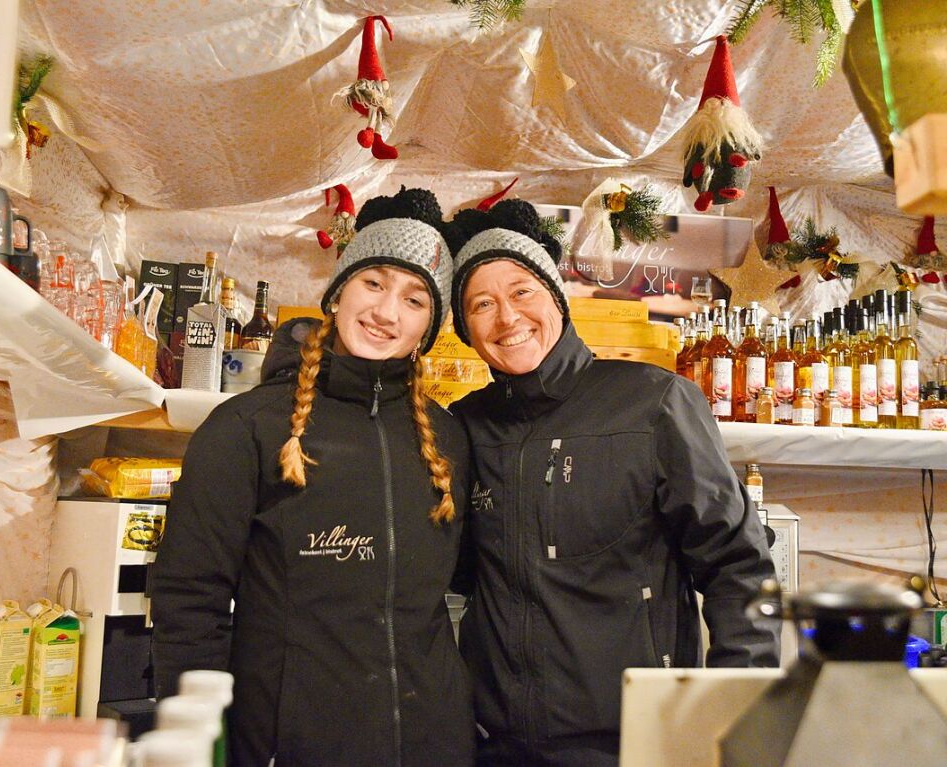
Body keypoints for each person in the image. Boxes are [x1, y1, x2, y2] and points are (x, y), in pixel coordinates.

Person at [446, 199, 780, 766]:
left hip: (633, 740)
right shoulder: (465, 426)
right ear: (465, 328)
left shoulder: (653, 403)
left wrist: (730, 714)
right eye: (482, 303)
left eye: (522, 291)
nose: (507, 318)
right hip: (496, 745)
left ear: (556, 297)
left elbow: (738, 567)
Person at [151, 187, 475, 766]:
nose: (386, 313)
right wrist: (201, 743)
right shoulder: (246, 428)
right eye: (372, 283)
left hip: (434, 741)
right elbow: (188, 602)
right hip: (289, 743)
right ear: (338, 291)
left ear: (430, 326)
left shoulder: (448, 440)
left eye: (415, 299)